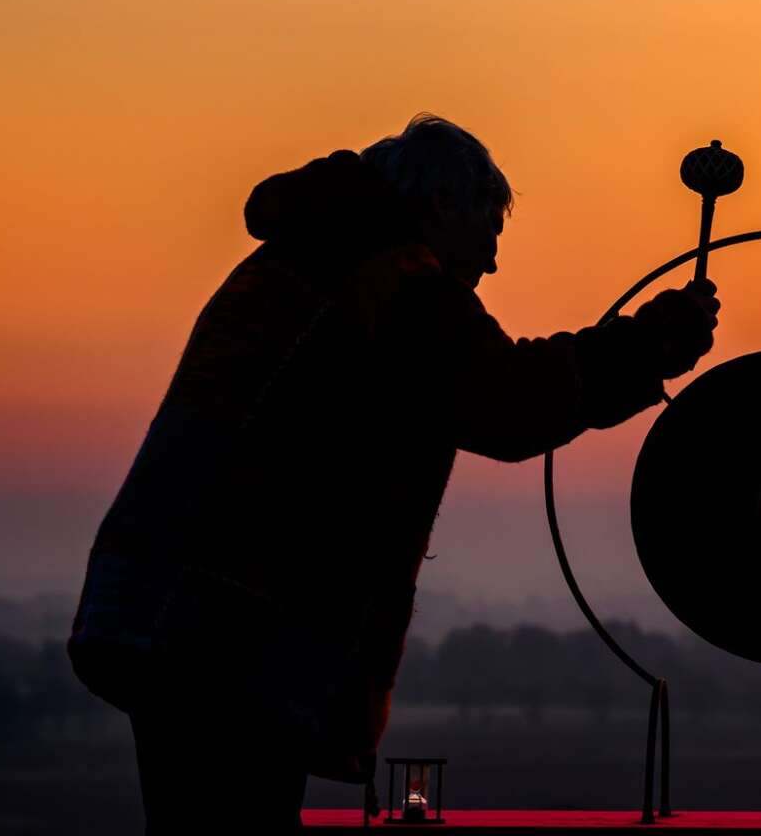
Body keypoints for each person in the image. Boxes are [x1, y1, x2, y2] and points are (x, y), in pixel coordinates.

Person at [68, 115, 718, 832]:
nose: (492, 265)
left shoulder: (296, 261)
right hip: (233, 625)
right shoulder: (391, 280)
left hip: (162, 604)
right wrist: (647, 345)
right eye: (488, 234)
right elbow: (503, 401)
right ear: (442, 208)